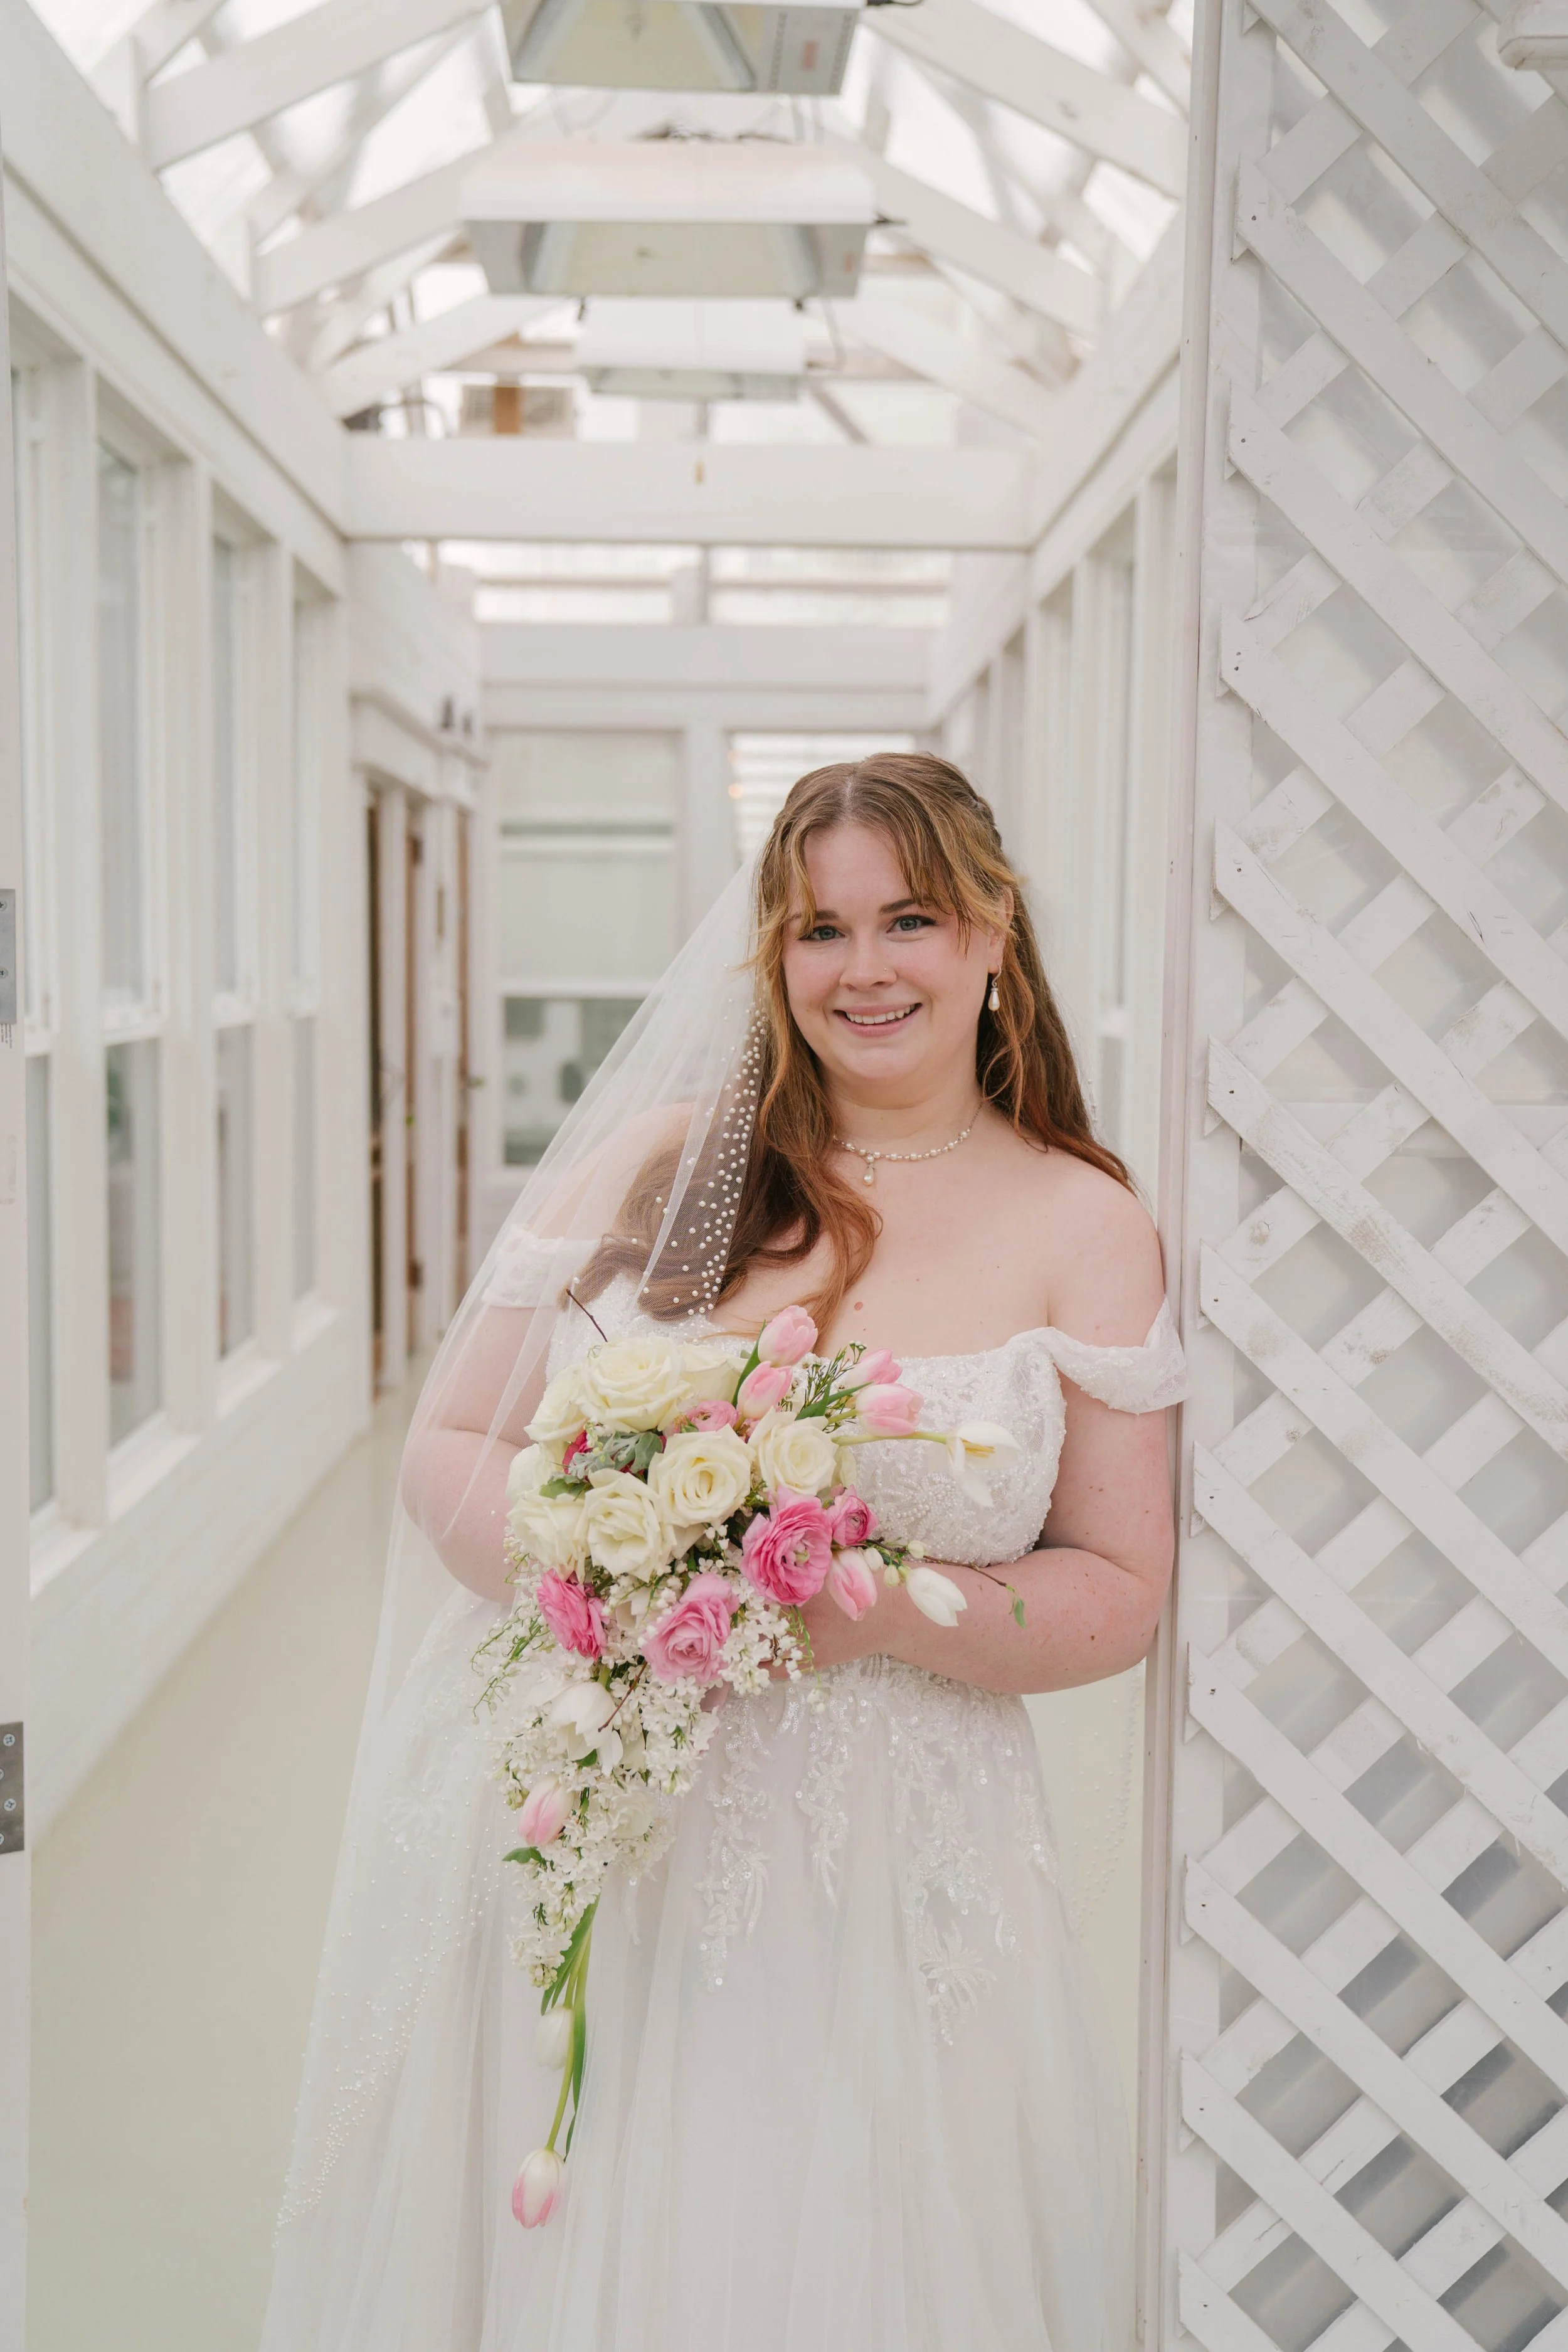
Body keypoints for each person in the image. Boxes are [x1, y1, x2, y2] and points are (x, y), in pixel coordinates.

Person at [260, 753, 1185, 2352]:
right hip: (616, 1832)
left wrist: (884, 1606)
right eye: (819, 932)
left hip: (900, 1875)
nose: (864, 968)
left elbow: (1116, 1591)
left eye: (907, 918)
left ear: (987, 933)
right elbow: (450, 1449)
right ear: (773, 957)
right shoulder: (676, 1168)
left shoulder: (1079, 1223)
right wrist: (623, 1587)